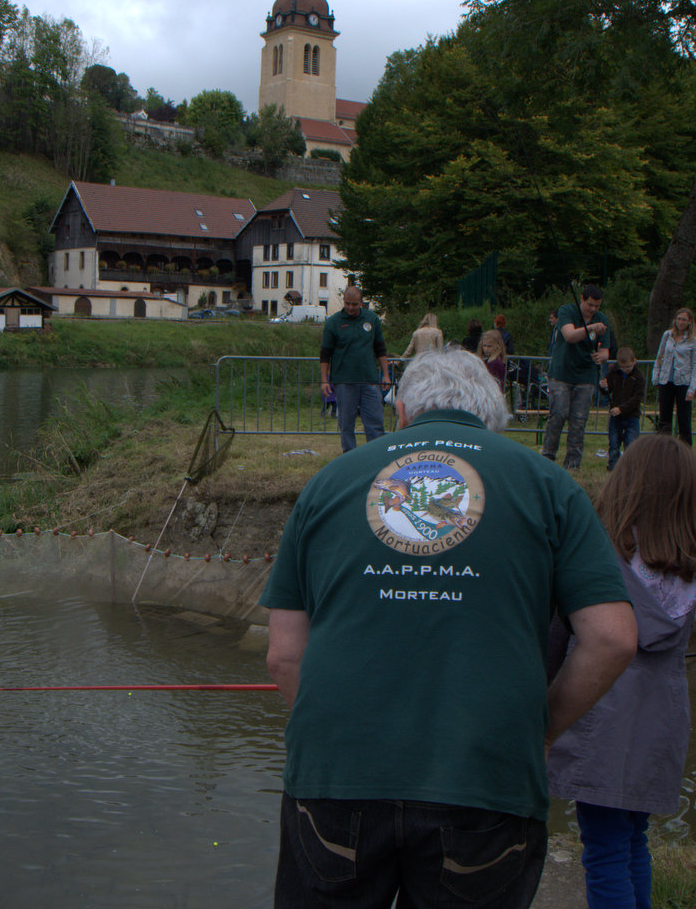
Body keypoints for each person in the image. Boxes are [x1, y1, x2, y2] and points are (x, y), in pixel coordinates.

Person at [262, 348, 639, 909]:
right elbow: (612, 638)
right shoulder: (549, 484)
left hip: (336, 777)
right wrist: (541, 732)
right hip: (486, 779)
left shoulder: (328, 482)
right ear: (493, 414)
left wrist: (336, 737)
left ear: (403, 412)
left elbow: (284, 656)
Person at [548, 435, 696, 909]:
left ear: (627, 487)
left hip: (602, 725)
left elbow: (561, 636)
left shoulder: (603, 561)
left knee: (603, 852)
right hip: (659, 725)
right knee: (632, 840)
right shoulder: (687, 567)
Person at [544, 286, 617, 469]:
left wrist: (601, 357)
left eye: (597, 306)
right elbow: (569, 335)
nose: (593, 309)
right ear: (582, 299)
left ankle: (573, 463)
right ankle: (547, 457)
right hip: (561, 373)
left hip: (586, 375)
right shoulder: (567, 311)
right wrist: (591, 328)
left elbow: (605, 351)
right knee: (558, 413)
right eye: (590, 304)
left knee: (579, 420)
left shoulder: (602, 319)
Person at [320, 287, 389, 453]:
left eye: (354, 304)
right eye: (347, 304)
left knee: (375, 422)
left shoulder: (372, 319)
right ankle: (349, 457)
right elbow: (325, 353)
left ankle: (377, 456)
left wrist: (386, 374)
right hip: (344, 381)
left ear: (361, 303)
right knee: (346, 424)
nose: (350, 308)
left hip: (369, 380)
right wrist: (324, 380)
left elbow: (380, 348)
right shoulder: (333, 322)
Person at [651, 308, 696, 446]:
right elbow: (660, 356)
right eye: (679, 319)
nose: (681, 322)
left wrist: (692, 388)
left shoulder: (694, 340)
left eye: (684, 319)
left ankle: (685, 448)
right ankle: (663, 446)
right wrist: (656, 377)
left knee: (684, 419)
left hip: (683, 382)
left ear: (689, 322)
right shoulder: (667, 335)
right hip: (666, 380)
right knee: (664, 417)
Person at [602, 348, 647, 470]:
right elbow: (608, 390)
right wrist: (604, 387)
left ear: (634, 361)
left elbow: (637, 398)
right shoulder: (614, 372)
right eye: (622, 367)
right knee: (613, 443)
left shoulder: (639, 377)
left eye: (628, 366)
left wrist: (621, 409)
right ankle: (613, 466)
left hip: (632, 416)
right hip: (615, 416)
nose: (625, 369)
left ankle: (630, 468)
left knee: (631, 443)